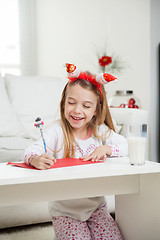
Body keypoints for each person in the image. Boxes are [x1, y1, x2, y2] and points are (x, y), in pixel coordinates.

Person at [24, 64, 128, 240]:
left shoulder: (98, 130)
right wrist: (35, 158)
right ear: (64, 103)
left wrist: (107, 148)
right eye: (71, 103)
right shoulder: (56, 131)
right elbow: (31, 149)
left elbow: (124, 145)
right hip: (65, 211)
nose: (77, 110)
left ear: (96, 110)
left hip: (97, 208)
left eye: (86, 106)